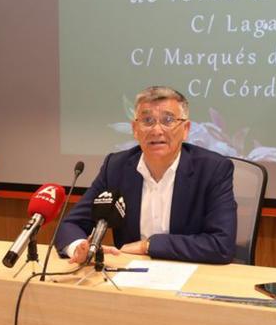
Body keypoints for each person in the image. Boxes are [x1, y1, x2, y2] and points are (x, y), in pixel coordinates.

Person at [55, 86, 237, 264]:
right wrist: (79, 247)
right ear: (135, 129)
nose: (157, 130)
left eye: (168, 120)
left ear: (186, 129)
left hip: (191, 274)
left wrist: (148, 246)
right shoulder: (116, 167)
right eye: (147, 121)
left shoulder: (213, 169)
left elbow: (221, 245)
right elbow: (71, 225)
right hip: (129, 276)